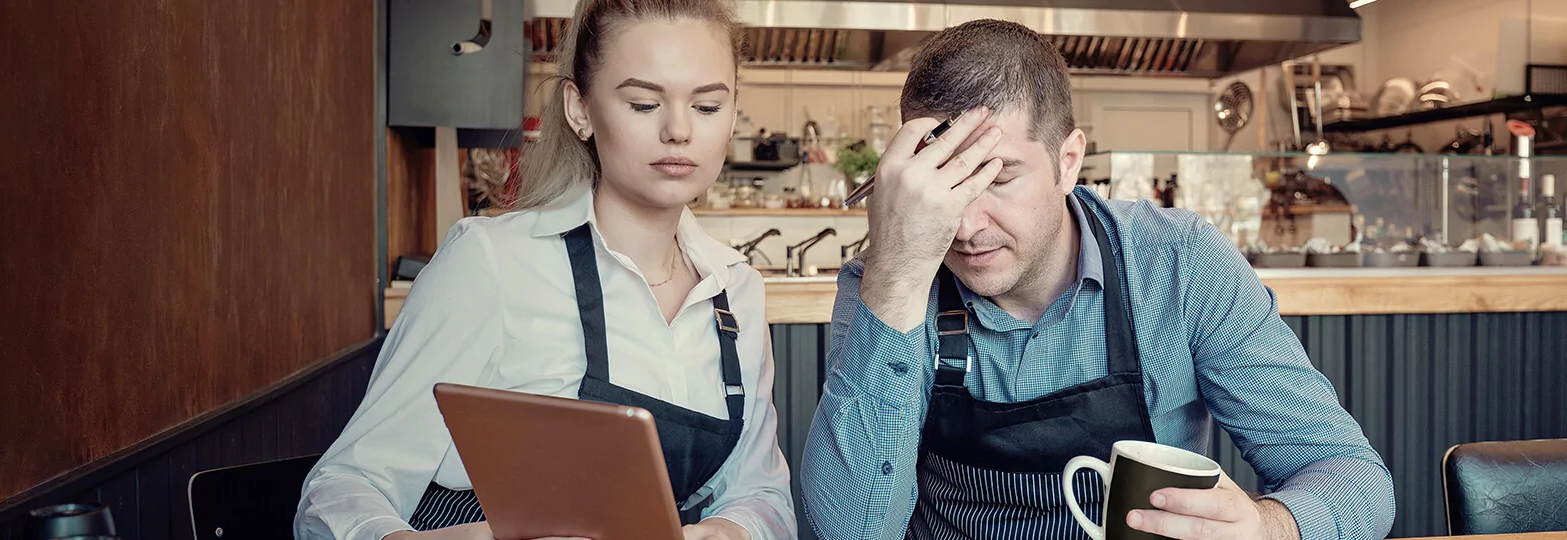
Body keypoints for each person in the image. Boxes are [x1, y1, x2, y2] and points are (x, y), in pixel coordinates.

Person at [801, 19, 1395, 540]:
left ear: (1068, 161)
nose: (966, 224)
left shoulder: (1178, 262)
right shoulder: (887, 281)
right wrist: (899, 274)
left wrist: (1271, 527)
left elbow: (1353, 476)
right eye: (944, 183)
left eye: (999, 178)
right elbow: (850, 530)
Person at [295, 2, 793, 539]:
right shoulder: (491, 263)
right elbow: (339, 490)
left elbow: (761, 495)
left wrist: (724, 533)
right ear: (579, 110)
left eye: (708, 106)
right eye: (645, 103)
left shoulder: (735, 289)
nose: (678, 130)